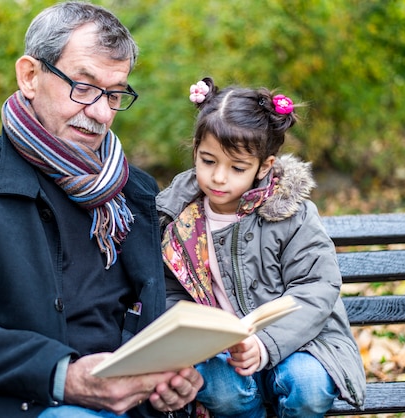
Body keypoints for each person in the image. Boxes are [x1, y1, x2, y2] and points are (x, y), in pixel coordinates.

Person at [0, 2, 202, 417]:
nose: (101, 112)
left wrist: (167, 382)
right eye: (84, 87)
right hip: (16, 405)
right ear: (30, 75)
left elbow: (146, 319)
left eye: (114, 93)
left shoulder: (134, 190)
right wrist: (63, 376)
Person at [156, 77, 366, 418]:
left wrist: (265, 344)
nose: (219, 178)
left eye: (237, 168)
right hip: (220, 352)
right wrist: (200, 331)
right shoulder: (177, 218)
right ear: (195, 151)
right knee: (223, 391)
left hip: (303, 341)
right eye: (208, 161)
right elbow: (168, 291)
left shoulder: (291, 215)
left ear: (263, 167)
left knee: (309, 387)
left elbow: (317, 286)